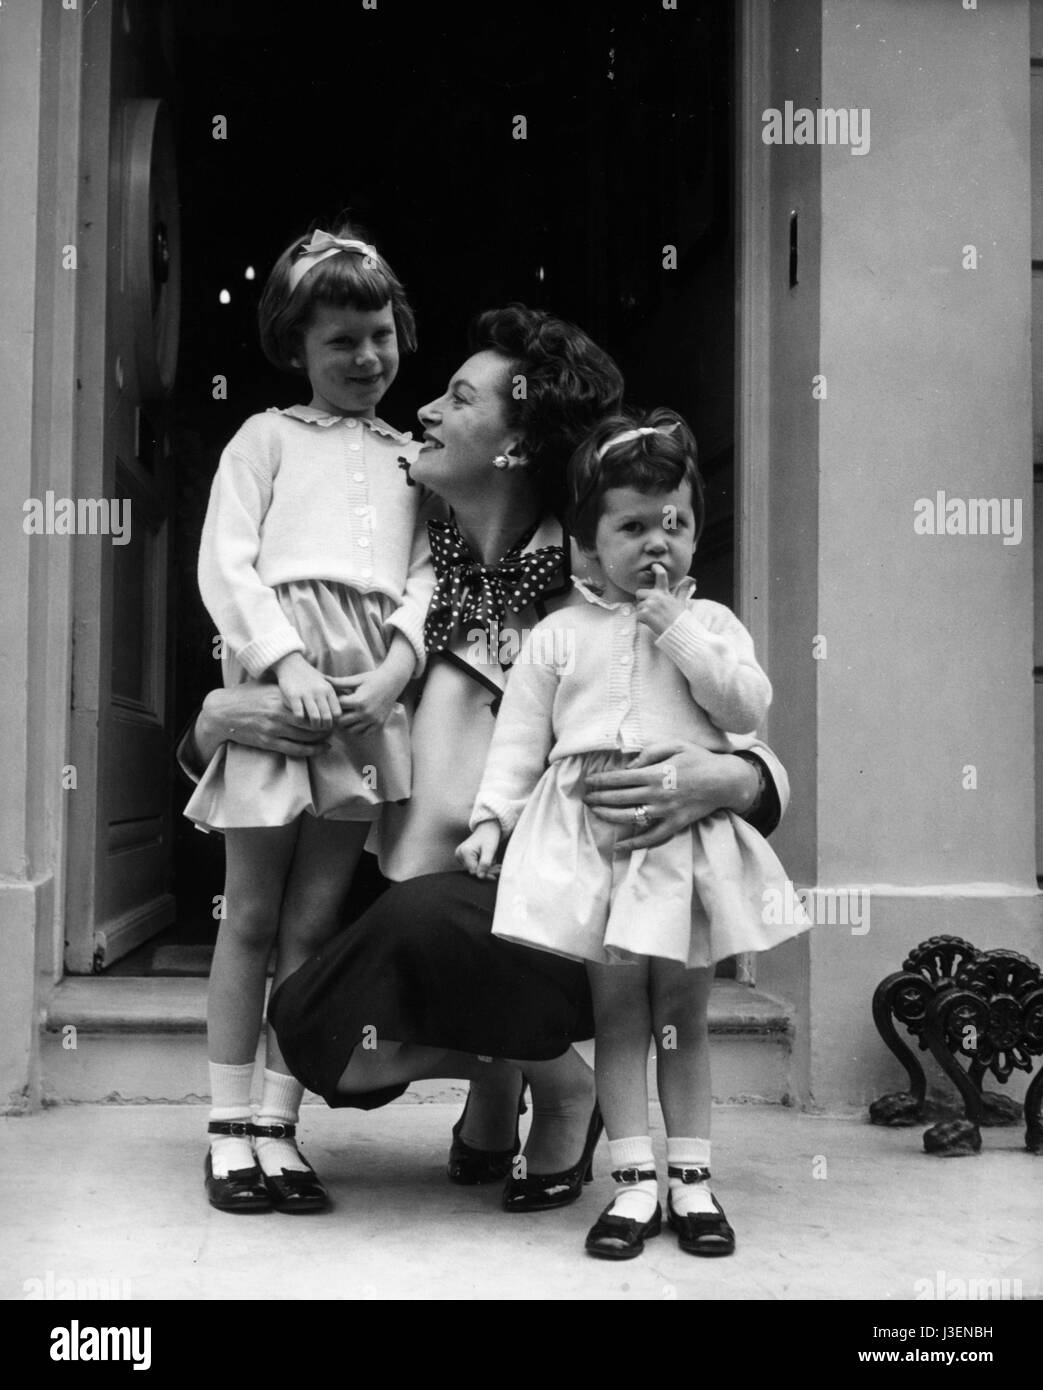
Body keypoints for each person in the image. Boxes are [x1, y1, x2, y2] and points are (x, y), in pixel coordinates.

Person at [180, 306, 789, 1213]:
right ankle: (521, 1080)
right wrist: (212, 721)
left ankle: (551, 1078)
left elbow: (741, 729)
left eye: (457, 397)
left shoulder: (605, 578)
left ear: (513, 448)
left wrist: (733, 779)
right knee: (323, 1028)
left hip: (576, 920)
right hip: (416, 898)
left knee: (427, 916)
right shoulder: (393, 580)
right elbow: (288, 749)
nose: (419, 408)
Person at [458, 408, 809, 1256]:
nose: (658, 542)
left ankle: (691, 1181)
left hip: (677, 843)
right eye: (633, 526)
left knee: (682, 1012)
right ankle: (631, 1182)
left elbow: (744, 708)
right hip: (589, 838)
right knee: (615, 1013)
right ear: (588, 540)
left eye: (677, 525)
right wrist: (490, 820)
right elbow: (519, 743)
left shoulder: (712, 625)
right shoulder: (556, 636)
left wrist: (676, 628)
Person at [188, 223, 434, 1214]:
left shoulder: (414, 455)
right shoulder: (265, 438)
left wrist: (399, 668)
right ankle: (224, 1127)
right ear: (296, 344)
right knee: (248, 910)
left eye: (378, 332)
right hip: (279, 687)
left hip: (366, 694)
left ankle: (280, 1127)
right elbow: (227, 560)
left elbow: (428, 574)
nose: (365, 356)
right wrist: (280, 660)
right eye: (340, 340)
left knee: (314, 919)